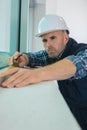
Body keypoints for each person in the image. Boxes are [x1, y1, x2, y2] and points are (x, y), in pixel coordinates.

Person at [0, 14, 87, 130]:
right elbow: (36, 56)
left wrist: (38, 74)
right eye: (44, 40)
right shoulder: (54, 54)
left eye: (53, 38)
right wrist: (24, 58)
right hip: (68, 113)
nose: (48, 45)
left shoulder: (83, 51)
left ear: (65, 38)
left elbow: (76, 64)